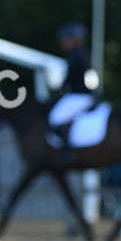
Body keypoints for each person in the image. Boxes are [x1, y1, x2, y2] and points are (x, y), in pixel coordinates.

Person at [46, 22, 96, 162]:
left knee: (56, 119)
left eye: (64, 39)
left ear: (73, 39)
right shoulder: (79, 55)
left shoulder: (76, 56)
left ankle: (67, 150)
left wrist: (60, 88)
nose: (62, 42)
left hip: (79, 96)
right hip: (80, 95)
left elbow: (70, 79)